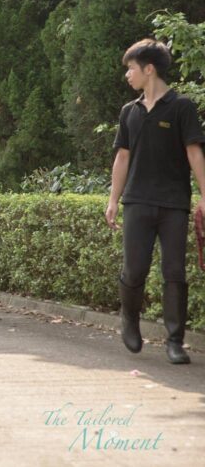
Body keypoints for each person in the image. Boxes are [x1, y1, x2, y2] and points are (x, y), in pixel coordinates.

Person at [106, 39, 205, 364]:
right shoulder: (129, 112)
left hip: (173, 204)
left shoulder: (181, 108)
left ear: (149, 69)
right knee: (134, 270)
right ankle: (129, 319)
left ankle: (175, 341)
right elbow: (122, 157)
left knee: (174, 271)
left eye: (131, 69)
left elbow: (194, 152)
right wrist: (113, 200)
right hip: (137, 202)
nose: (127, 76)